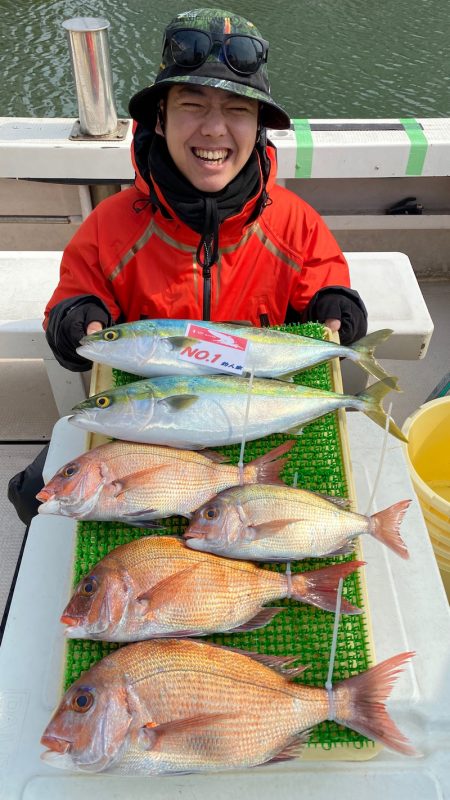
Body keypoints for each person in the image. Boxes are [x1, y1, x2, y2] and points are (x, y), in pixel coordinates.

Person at [8, 7, 367, 524]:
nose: (215, 128)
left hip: (253, 422)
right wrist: (73, 318)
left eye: (238, 110)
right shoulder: (111, 227)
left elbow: (323, 279)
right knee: (32, 493)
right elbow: (76, 293)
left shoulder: (295, 223)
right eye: (192, 104)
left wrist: (336, 304)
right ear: (160, 118)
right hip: (144, 438)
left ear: (259, 127)